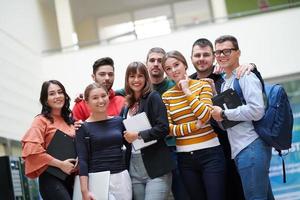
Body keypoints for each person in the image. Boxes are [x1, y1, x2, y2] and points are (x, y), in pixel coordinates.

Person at [190, 38, 257, 200]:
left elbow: (250, 80)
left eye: (206, 55)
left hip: (233, 145)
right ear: (191, 58)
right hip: (205, 152)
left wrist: (252, 66)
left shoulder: (225, 75)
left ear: (213, 57)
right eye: (197, 55)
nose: (201, 59)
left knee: (245, 193)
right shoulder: (189, 82)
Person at [211, 35, 274, 200]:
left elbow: (257, 110)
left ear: (238, 53)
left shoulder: (245, 75)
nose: (221, 55)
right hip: (241, 149)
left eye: (227, 51)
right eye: (217, 52)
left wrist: (224, 114)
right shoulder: (226, 82)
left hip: (251, 146)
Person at [162, 50, 225, 200]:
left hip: (211, 154)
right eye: (168, 69)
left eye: (176, 65)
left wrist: (187, 90)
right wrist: (195, 126)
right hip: (185, 158)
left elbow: (206, 115)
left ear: (184, 64)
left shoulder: (203, 85)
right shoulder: (167, 96)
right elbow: (169, 129)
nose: (174, 70)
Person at [121, 61, 175, 200]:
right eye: (132, 76)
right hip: (134, 168)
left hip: (156, 165)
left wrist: (138, 135)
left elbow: (163, 128)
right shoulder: (127, 104)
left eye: (140, 76)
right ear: (127, 80)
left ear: (146, 78)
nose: (136, 80)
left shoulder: (153, 97)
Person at [75, 83, 132, 200]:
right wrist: (84, 190)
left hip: (122, 178)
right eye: (95, 98)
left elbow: (131, 147)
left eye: (103, 96)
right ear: (87, 102)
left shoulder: (119, 121)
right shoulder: (82, 128)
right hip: (97, 180)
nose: (100, 100)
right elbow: (82, 160)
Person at [22, 80, 76, 200]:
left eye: (60, 92)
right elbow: (33, 150)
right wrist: (61, 164)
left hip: (71, 178)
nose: (57, 96)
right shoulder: (40, 121)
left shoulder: (72, 122)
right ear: (45, 100)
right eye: (52, 94)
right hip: (51, 178)